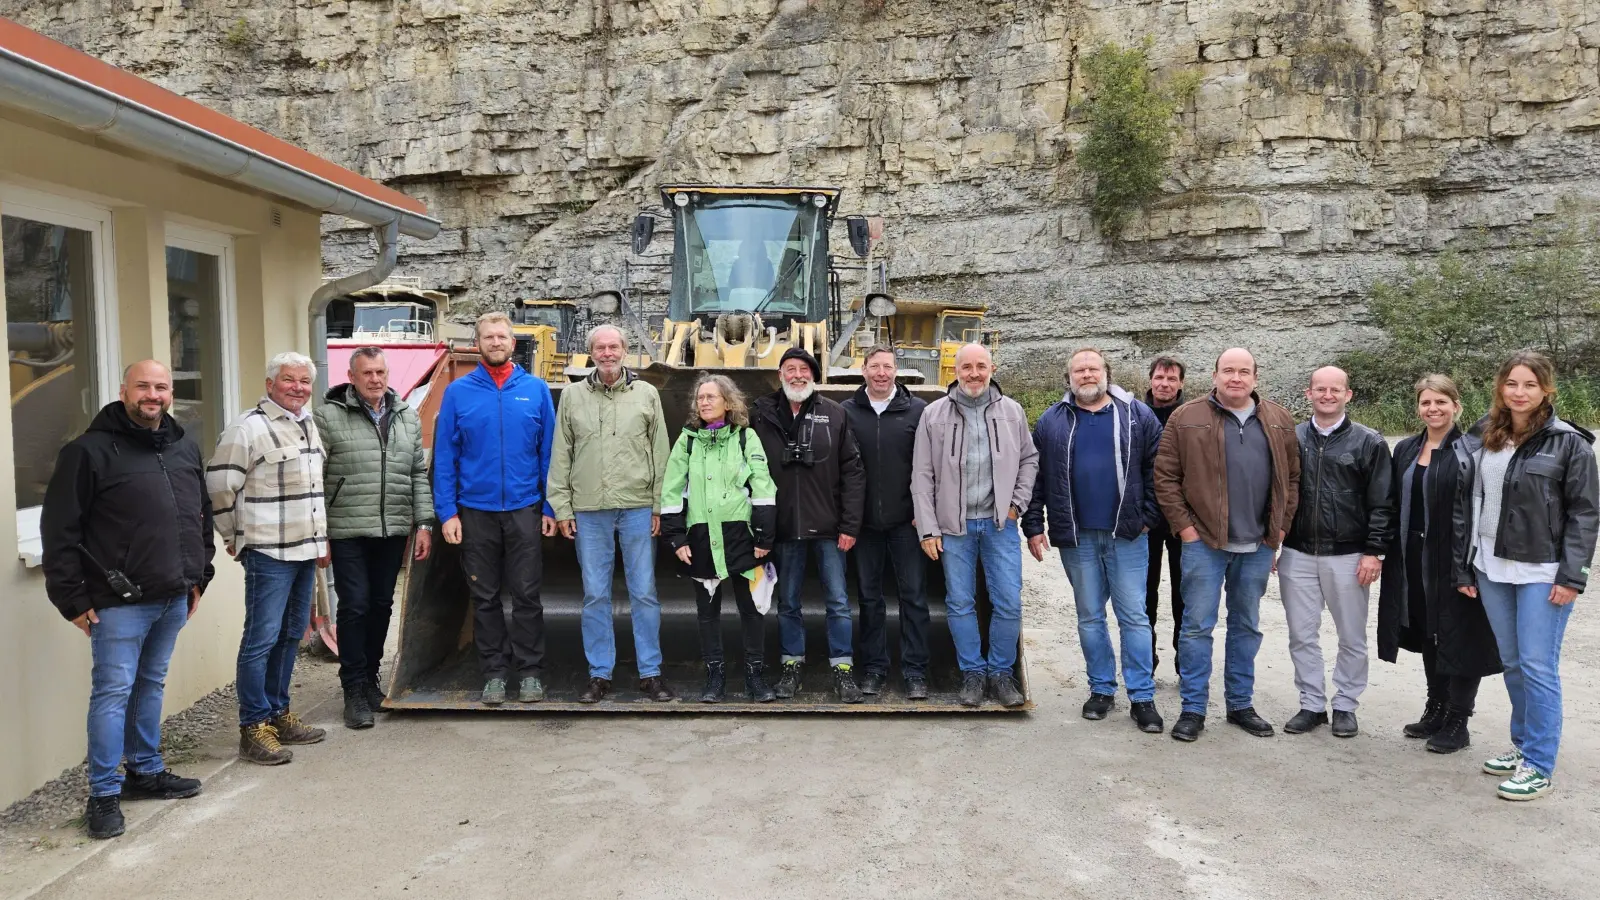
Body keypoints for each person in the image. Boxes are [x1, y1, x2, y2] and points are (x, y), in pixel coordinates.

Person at [41, 360, 215, 839]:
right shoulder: (88, 452)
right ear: (124, 392)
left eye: (161, 387)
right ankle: (102, 793)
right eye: (143, 386)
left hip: (172, 594)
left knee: (150, 685)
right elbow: (59, 531)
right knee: (113, 693)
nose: (152, 395)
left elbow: (199, 515)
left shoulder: (182, 445)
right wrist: (72, 598)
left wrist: (200, 575)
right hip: (118, 601)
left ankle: (145, 770)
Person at [1462, 351, 1597, 801]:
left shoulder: (1568, 443)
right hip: (1492, 566)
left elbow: (1584, 513)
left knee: (1538, 666)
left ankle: (1539, 763)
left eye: (1530, 385)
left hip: (1543, 570)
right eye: (1511, 384)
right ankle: (1523, 746)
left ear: (1546, 390)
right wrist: (1466, 561)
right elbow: (1471, 498)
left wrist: (1572, 576)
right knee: (1514, 663)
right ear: (1500, 387)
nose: (1519, 393)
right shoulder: (1487, 432)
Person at [1153, 347, 1300, 742]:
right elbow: (1165, 477)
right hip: (1204, 543)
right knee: (1197, 627)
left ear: (1255, 377)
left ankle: (1239, 704)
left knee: (1246, 626)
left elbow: (1294, 479)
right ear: (1214, 375)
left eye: (1244, 371)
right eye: (1228, 370)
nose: (1236, 378)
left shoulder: (1280, 419)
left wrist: (1280, 529)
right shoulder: (1187, 417)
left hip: (1257, 545)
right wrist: (1185, 529)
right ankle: (1193, 709)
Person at [1024, 349, 1164, 731]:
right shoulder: (1052, 421)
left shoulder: (1137, 415)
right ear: (1068, 378)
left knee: (1134, 616)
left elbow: (1160, 467)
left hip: (1128, 535)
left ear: (1106, 373)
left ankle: (1142, 696)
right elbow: (1036, 478)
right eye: (1079, 370)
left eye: (1093, 368)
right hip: (1077, 535)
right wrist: (1033, 524)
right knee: (1089, 616)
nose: (1086, 374)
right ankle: (1101, 689)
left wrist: (1151, 516)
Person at [207, 352, 330, 764]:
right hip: (269, 553)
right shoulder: (248, 428)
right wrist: (234, 536)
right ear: (270, 384)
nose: (298, 387)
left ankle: (278, 714)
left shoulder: (307, 424)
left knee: (291, 634)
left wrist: (321, 541)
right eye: (289, 380)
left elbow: (313, 491)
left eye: (304, 381)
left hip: (304, 551)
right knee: (261, 639)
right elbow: (220, 486)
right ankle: (253, 726)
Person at [434, 311, 557, 707]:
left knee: (526, 595)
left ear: (512, 342)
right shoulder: (458, 392)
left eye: (502, 336)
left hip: (524, 508)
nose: (496, 342)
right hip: (475, 511)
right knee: (483, 596)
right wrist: (447, 512)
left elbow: (550, 454)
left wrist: (551, 508)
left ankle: (531, 673)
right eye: (488, 337)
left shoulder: (536, 390)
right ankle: (494, 674)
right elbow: (445, 456)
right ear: (478, 343)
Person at [549, 325, 674, 703]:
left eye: (613, 346)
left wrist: (658, 504)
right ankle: (599, 674)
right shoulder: (571, 396)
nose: (607, 353)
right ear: (591, 353)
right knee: (595, 595)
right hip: (589, 510)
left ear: (625, 350)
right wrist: (562, 506)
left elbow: (661, 453)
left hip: (636, 507)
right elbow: (560, 453)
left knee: (645, 593)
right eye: (600, 347)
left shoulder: (647, 394)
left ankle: (650, 673)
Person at [1376, 375, 1500, 755]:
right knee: (1430, 631)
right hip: (1414, 557)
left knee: (1461, 634)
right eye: (1426, 402)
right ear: (1418, 407)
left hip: (1455, 557)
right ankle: (1436, 707)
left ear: (1456, 406)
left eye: (1441, 402)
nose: (1433, 409)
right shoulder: (1407, 449)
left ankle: (1459, 719)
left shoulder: (1471, 449)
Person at [911, 343, 1039, 707]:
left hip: (1000, 526)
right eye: (966, 367)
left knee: (1008, 602)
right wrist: (929, 529)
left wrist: (1016, 505)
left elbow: (1029, 460)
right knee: (960, 602)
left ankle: (1001, 673)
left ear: (992, 368)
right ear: (955, 370)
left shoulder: (1012, 412)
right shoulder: (934, 414)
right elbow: (921, 475)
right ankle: (972, 673)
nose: (974, 374)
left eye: (981, 366)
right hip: (956, 528)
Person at [315, 347, 433, 729]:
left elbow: (417, 472)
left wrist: (424, 523)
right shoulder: (328, 416)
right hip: (347, 527)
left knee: (382, 605)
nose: (375, 379)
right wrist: (321, 533)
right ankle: (351, 688)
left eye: (380, 371)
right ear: (352, 376)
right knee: (355, 606)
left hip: (393, 526)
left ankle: (369, 679)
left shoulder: (405, 417)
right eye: (366, 373)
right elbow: (316, 478)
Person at [1277, 366, 1394, 738]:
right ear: (1308, 393)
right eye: (1320, 389)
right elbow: (1278, 495)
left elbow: (1382, 502)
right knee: (1301, 633)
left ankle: (1345, 704)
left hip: (1348, 554)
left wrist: (1374, 551)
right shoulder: (1290, 438)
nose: (1327, 395)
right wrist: (1276, 543)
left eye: (1335, 390)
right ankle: (1311, 703)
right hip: (1298, 551)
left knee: (1351, 636)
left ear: (1348, 395)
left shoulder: (1369, 442)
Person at [753, 347, 867, 703]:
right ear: (780, 375)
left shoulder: (835, 414)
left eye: (804, 369)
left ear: (813, 376)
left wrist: (849, 526)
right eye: (790, 369)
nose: (797, 375)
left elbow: (853, 472)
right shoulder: (760, 414)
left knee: (837, 601)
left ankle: (843, 668)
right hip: (784, 529)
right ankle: (791, 665)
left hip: (830, 530)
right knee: (787, 602)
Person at [661, 375, 779, 702]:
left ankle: (756, 677)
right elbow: (671, 492)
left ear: (728, 403)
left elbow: (763, 488)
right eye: (700, 398)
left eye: (711, 397)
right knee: (707, 614)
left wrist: (764, 536)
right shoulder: (687, 441)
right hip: (700, 539)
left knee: (753, 609)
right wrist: (676, 538)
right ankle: (715, 678)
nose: (704, 402)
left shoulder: (746, 438)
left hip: (743, 538)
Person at [840, 345, 931, 698]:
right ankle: (875, 668)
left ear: (897, 371)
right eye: (874, 366)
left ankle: (915, 671)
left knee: (914, 598)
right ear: (863, 370)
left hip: (906, 523)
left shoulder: (918, 411)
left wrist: (922, 511)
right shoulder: (846, 412)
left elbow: (930, 466)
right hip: (864, 525)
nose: (881, 373)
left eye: (887, 367)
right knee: (869, 599)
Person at [1144, 355, 1186, 674]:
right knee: (1144, 593)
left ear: (1181, 384)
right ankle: (1146, 658)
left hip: (1183, 519)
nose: (1165, 384)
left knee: (1184, 593)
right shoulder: (1135, 414)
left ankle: (1184, 658)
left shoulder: (1191, 416)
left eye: (1172, 379)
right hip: (1145, 519)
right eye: (1160, 377)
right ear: (1150, 380)